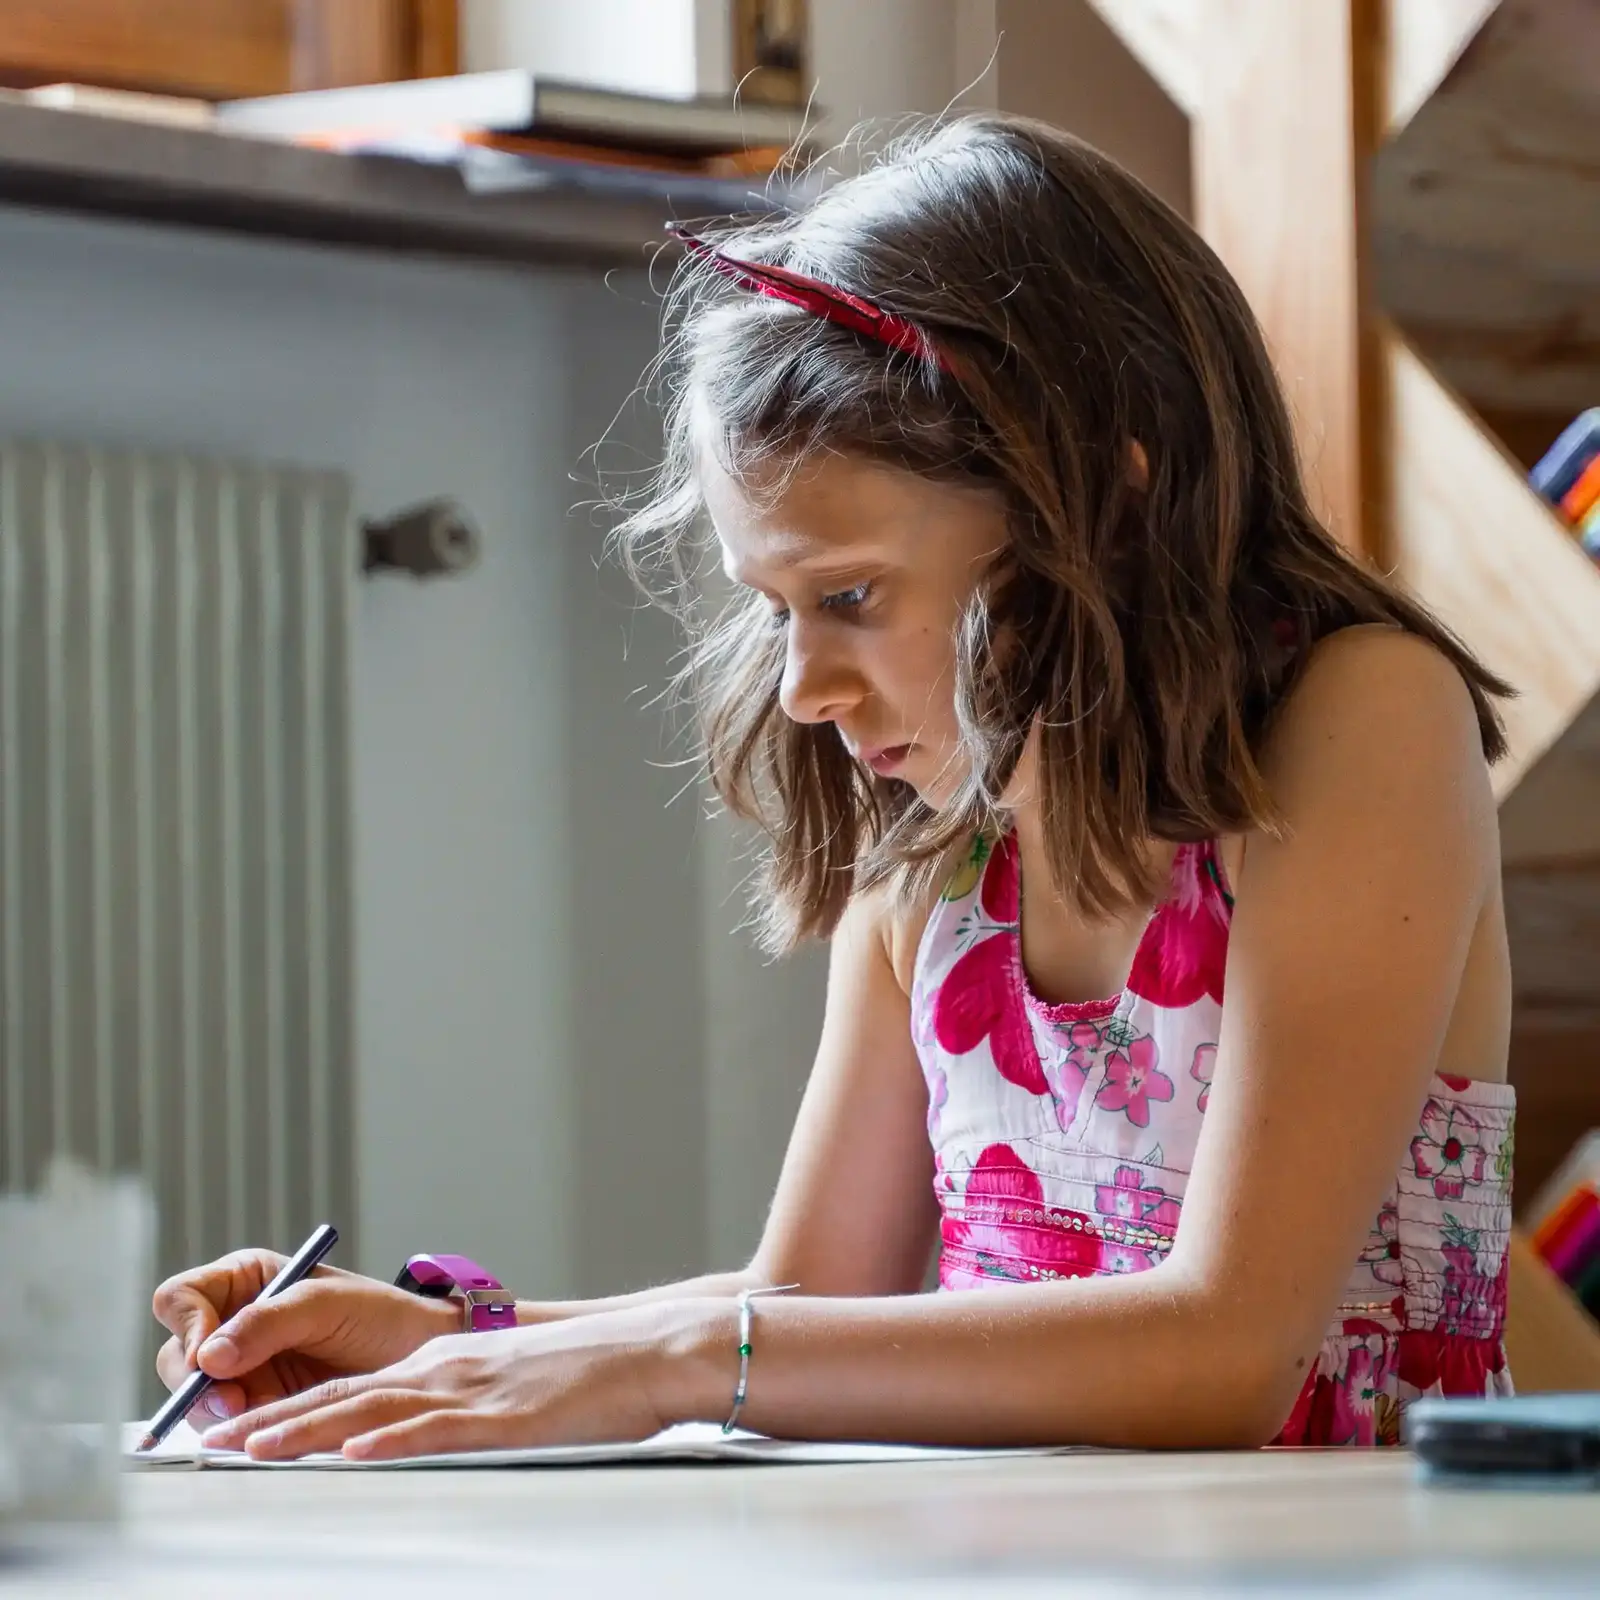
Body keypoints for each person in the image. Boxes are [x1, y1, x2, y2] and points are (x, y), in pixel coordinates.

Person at [155, 114, 1517, 1462]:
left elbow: (1224, 1351)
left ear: (1103, 512)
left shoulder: (1366, 718)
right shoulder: (940, 842)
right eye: (778, 608)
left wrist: (676, 1364)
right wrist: (440, 1340)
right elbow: (809, 1302)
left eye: (851, 596)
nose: (805, 685)